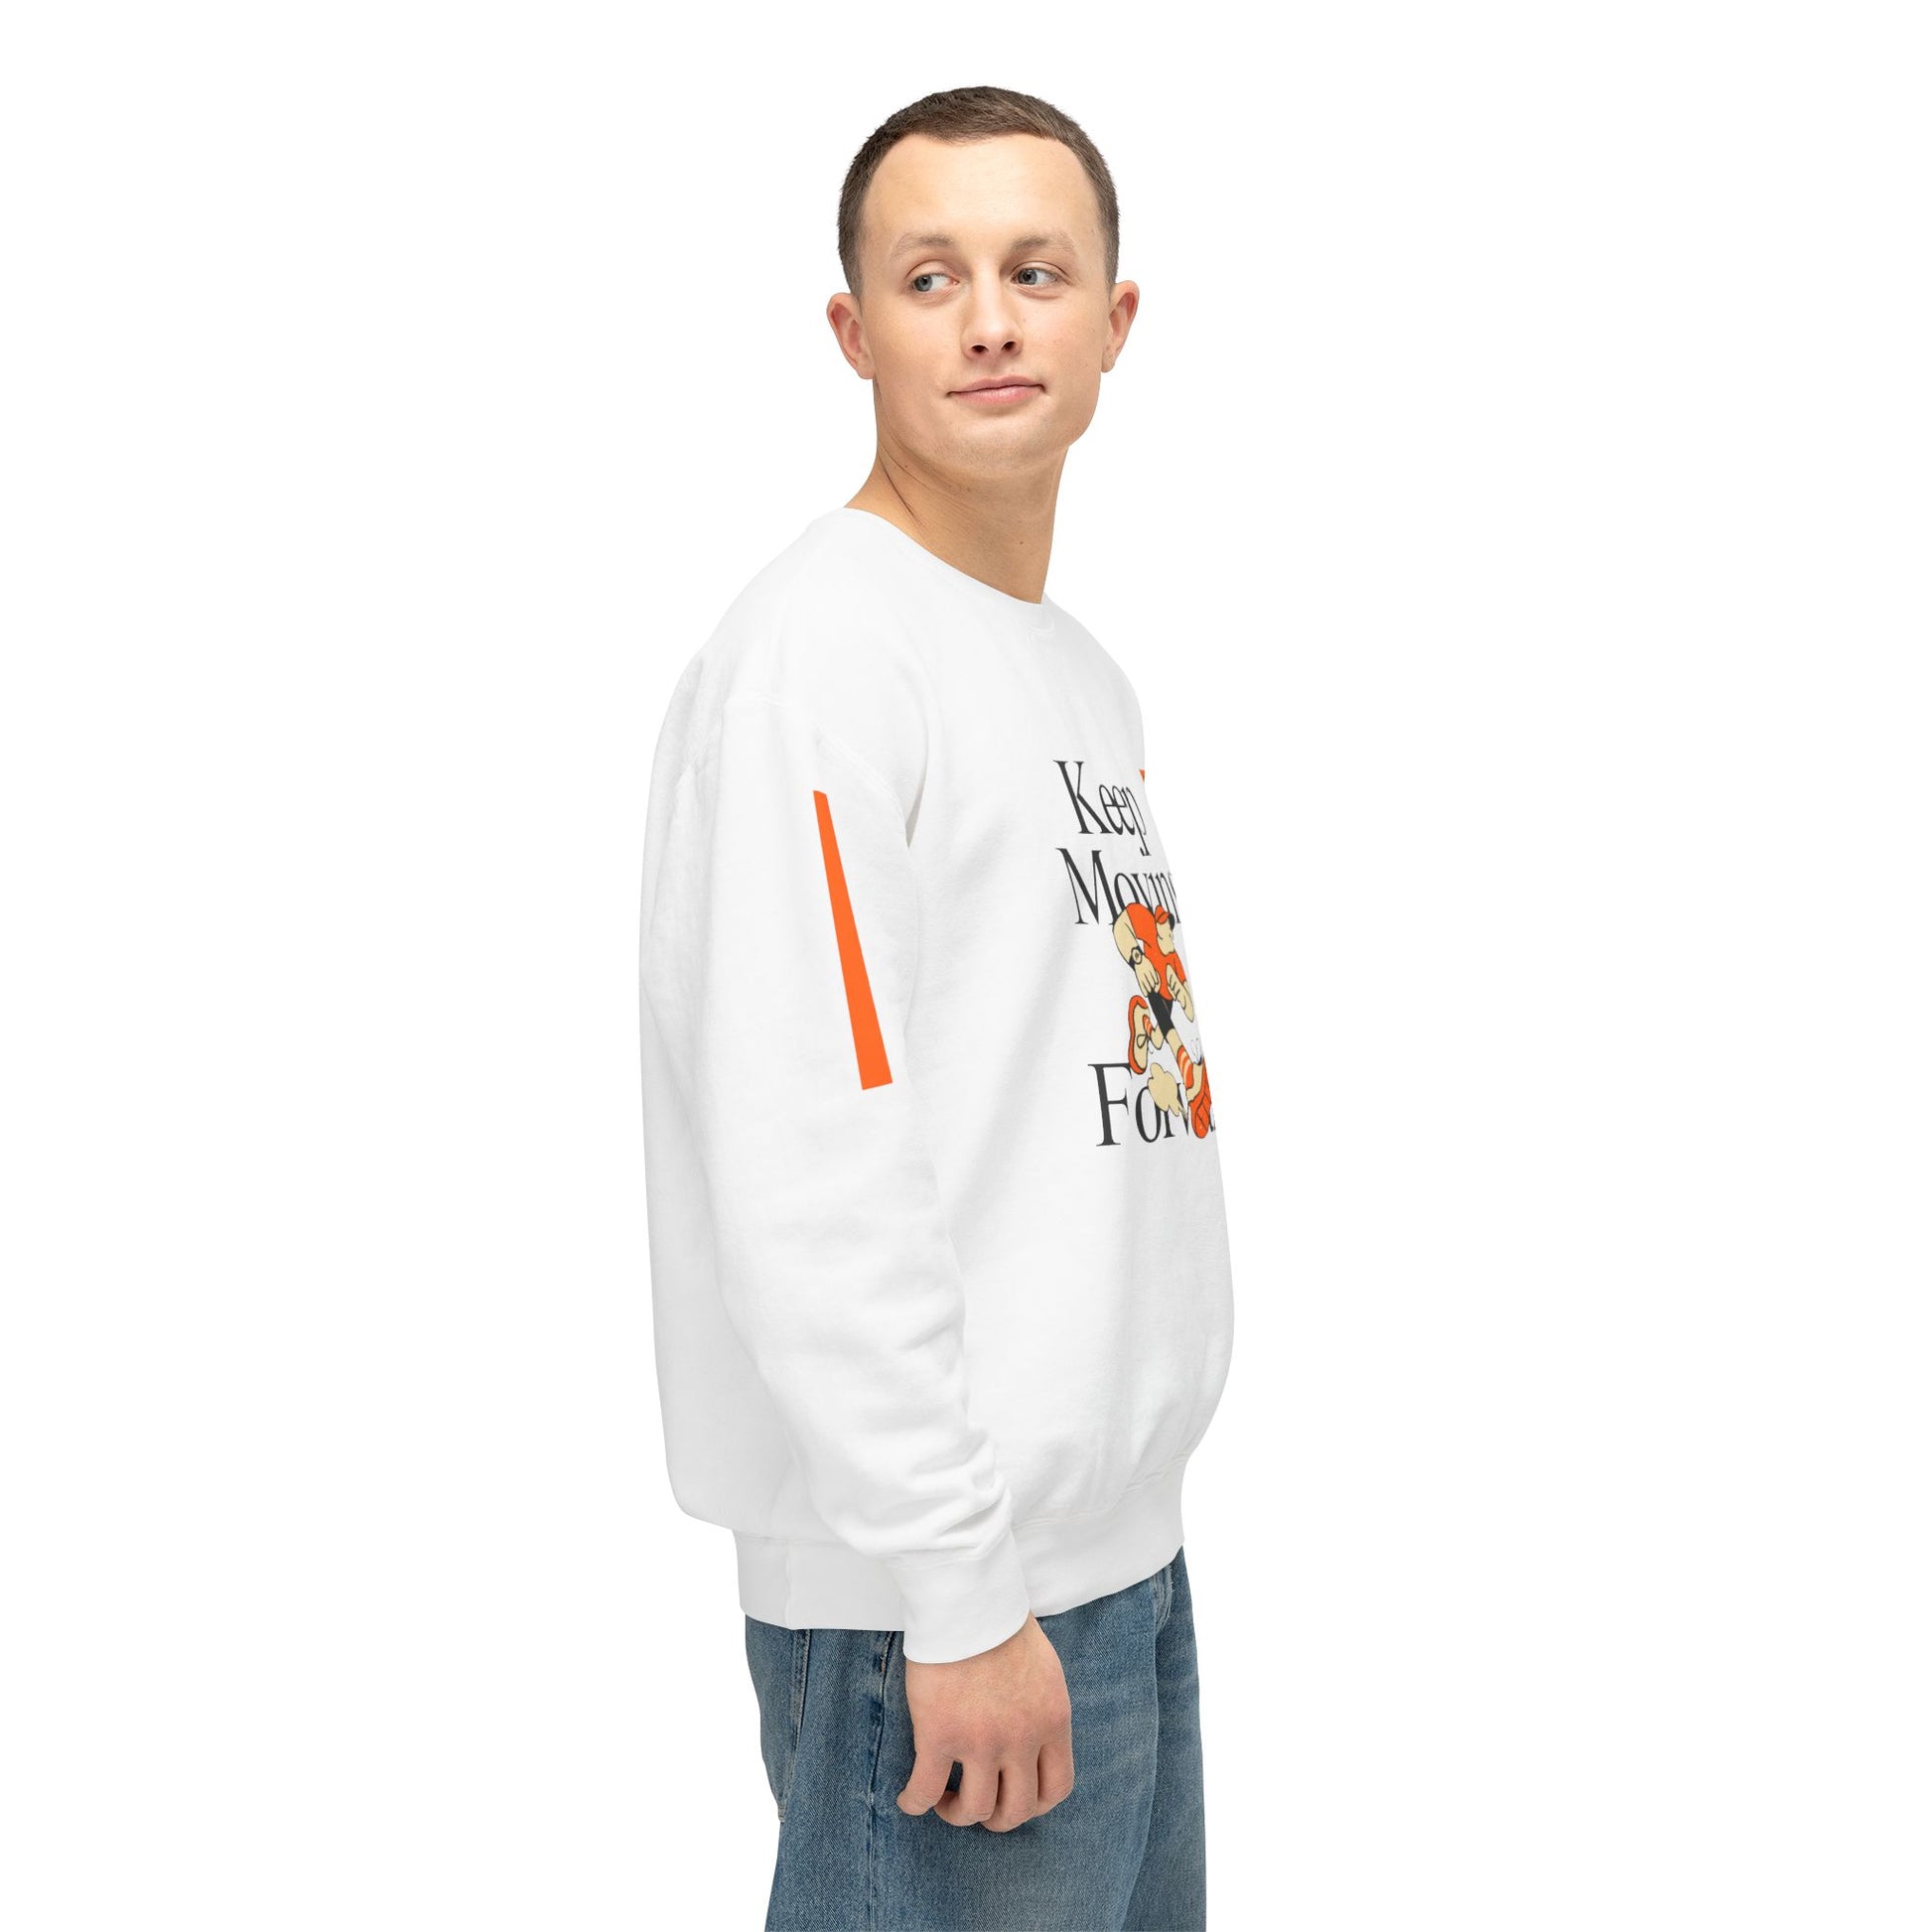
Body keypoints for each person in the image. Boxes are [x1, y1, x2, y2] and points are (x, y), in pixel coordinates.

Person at [636, 84, 1236, 1930]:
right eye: (929, 276)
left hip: (1108, 1573)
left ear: (1113, 321)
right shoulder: (824, 658)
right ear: (853, 330)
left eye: (1034, 272)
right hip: (941, 1610)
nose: (987, 320)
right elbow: (811, 1160)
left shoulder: (1074, 674)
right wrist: (956, 1589)